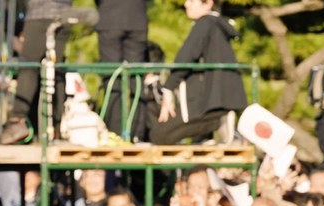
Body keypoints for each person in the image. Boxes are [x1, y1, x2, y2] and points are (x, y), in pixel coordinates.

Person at [153, 0, 246, 145]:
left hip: (212, 101)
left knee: (159, 134)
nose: (186, 4)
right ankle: (213, 131)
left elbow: (186, 56)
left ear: (208, 3)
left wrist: (168, 88)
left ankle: (217, 124)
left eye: (191, 0)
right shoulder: (217, 26)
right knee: (174, 136)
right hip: (221, 99)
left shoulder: (205, 23)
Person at [0, 0, 75, 145]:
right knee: (55, 70)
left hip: (39, 14)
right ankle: (56, 127)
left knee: (29, 68)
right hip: (64, 14)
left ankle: (18, 121)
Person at [96, 0, 149, 136]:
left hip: (110, 18)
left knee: (112, 78)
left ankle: (115, 131)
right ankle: (138, 133)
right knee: (136, 79)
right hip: (137, 18)